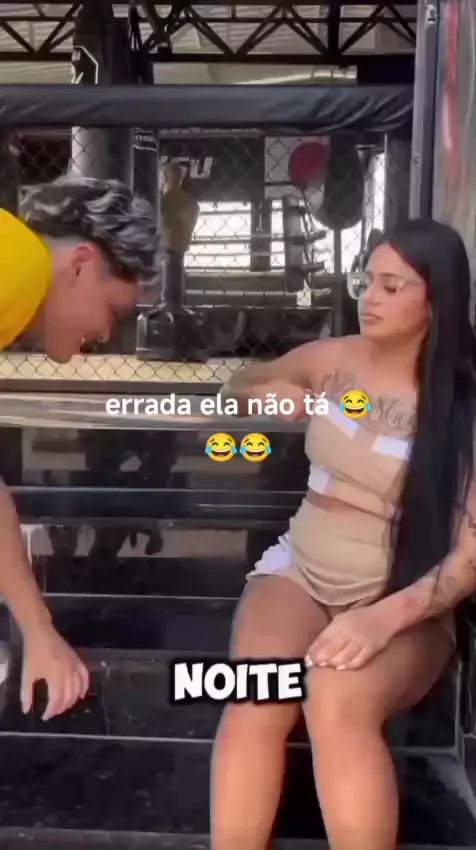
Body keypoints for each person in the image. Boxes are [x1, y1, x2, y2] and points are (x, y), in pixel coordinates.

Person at [212, 218, 476, 850]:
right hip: (301, 570)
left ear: (435, 300)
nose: (370, 298)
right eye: (367, 280)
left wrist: (380, 620)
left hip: (406, 598)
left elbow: (470, 557)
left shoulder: (463, 402)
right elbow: (236, 385)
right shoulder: (335, 358)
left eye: (392, 286)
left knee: (334, 697)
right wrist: (270, 393)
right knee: (255, 691)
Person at [0, 175, 158, 721]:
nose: (106, 333)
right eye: (114, 311)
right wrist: (39, 631)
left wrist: (37, 629)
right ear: (81, 264)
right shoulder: (16, 269)